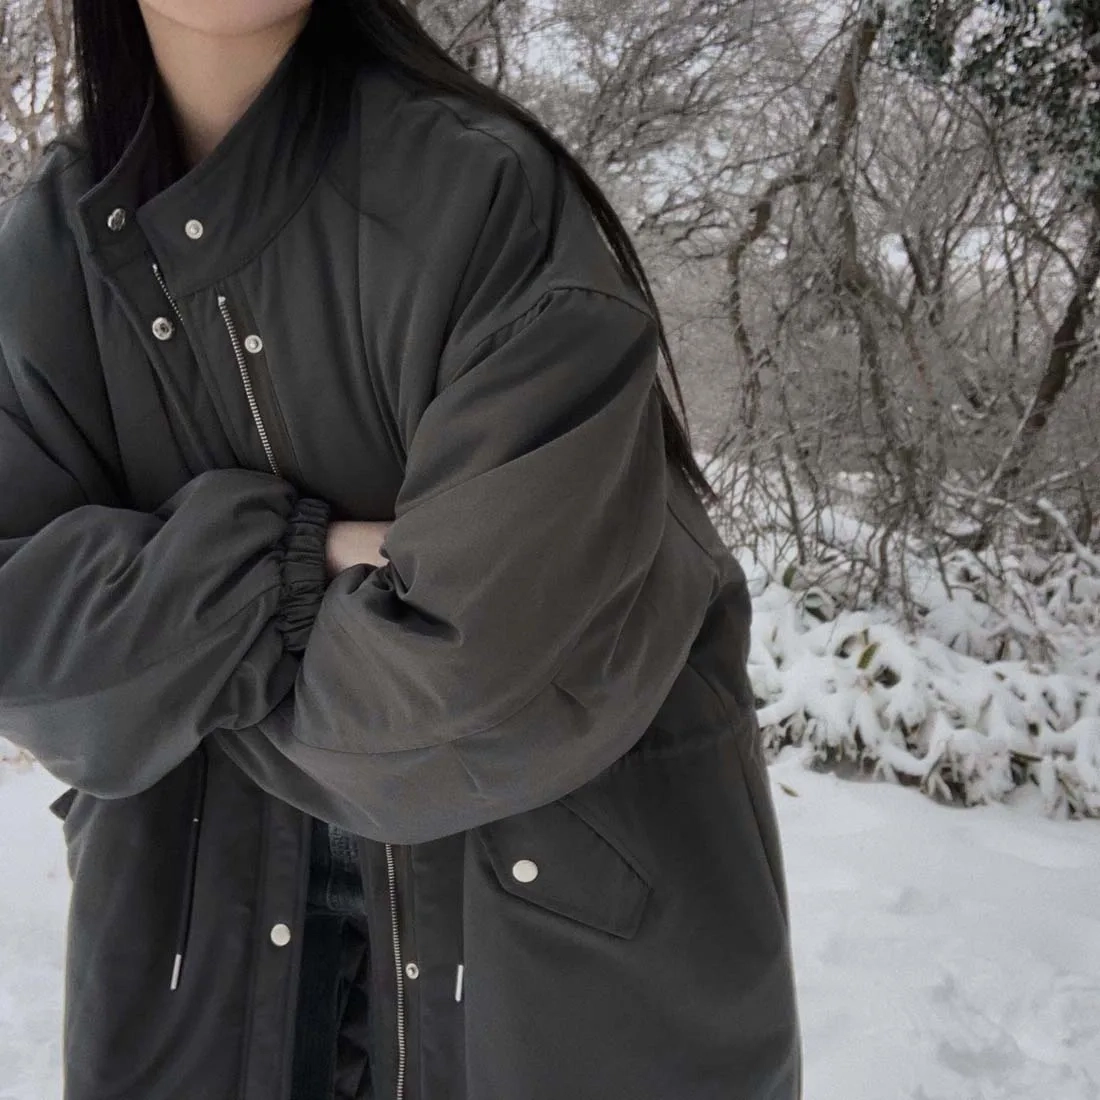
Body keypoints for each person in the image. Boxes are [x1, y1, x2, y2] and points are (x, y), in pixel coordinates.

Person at [0, 1, 803, 1098]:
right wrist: (294, 567)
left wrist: (162, 668)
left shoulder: (485, 197)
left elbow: (483, 691)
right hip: (198, 963)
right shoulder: (52, 248)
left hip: (563, 970)